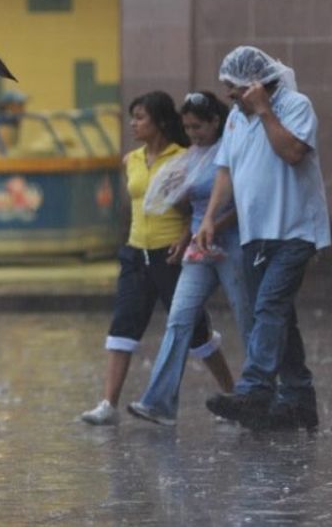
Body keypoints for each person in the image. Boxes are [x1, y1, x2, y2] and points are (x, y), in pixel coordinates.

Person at [80, 91, 235, 426]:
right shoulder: (131, 160)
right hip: (136, 252)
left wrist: (184, 240)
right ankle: (109, 403)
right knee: (123, 324)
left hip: (171, 254)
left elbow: (189, 209)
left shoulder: (186, 157)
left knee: (195, 331)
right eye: (132, 117)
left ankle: (233, 392)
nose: (133, 124)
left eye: (140, 118)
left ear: (161, 122)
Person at [198, 46, 331, 431]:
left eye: (234, 89)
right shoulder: (235, 120)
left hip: (294, 229)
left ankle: (255, 389)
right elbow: (224, 170)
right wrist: (209, 219)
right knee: (279, 317)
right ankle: (298, 399)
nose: (229, 96)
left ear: (257, 85)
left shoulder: (295, 106)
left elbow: (292, 152)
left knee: (269, 307)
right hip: (255, 234)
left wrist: (264, 110)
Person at [127, 91, 253, 426]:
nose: (193, 133)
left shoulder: (232, 150)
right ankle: (159, 402)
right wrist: (175, 194)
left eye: (198, 126)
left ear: (215, 121)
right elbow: (186, 206)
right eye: (188, 127)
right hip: (199, 246)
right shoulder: (191, 156)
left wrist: (214, 225)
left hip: (231, 243)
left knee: (246, 316)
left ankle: (259, 392)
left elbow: (243, 203)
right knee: (179, 318)